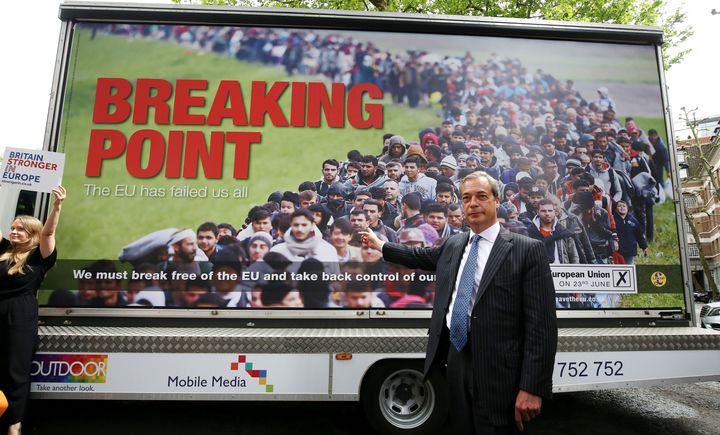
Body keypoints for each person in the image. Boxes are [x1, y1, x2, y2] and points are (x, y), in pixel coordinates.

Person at [360, 173, 557, 434]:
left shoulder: (526, 250)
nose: (473, 203)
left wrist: (532, 388)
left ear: (496, 201)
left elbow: (542, 327)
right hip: (455, 356)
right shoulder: (454, 244)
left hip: (499, 368)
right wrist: (382, 246)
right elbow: (421, 256)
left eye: (481, 196)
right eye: (466, 198)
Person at [0, 186, 66, 435]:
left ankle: (13, 425)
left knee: (15, 371)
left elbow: (49, 232)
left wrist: (57, 206)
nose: (14, 231)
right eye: (13, 227)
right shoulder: (3, 249)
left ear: (32, 235)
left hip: (19, 316)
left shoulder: (39, 257)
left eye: (21, 229)